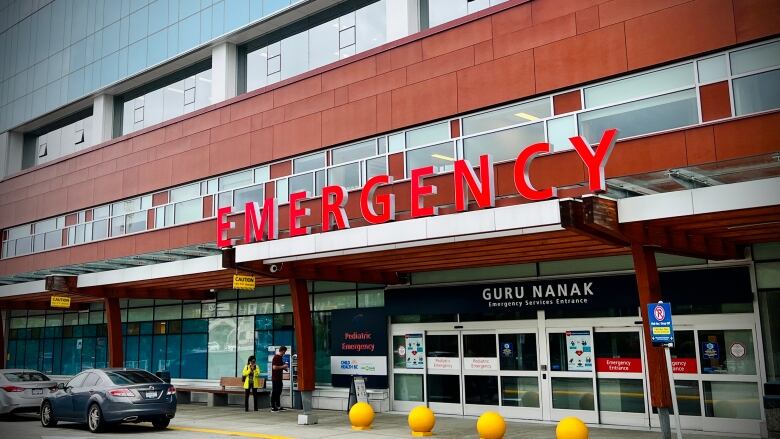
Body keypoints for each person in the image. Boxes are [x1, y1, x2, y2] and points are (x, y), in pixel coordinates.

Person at [270, 346, 288, 412]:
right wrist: (283, 366)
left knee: (279, 391)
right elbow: (274, 367)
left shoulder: (280, 358)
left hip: (279, 378)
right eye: (284, 351)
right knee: (275, 391)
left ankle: (278, 405)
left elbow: (279, 366)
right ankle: (272, 407)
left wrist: (284, 368)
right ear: (282, 351)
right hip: (275, 378)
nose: (285, 353)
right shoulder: (276, 357)